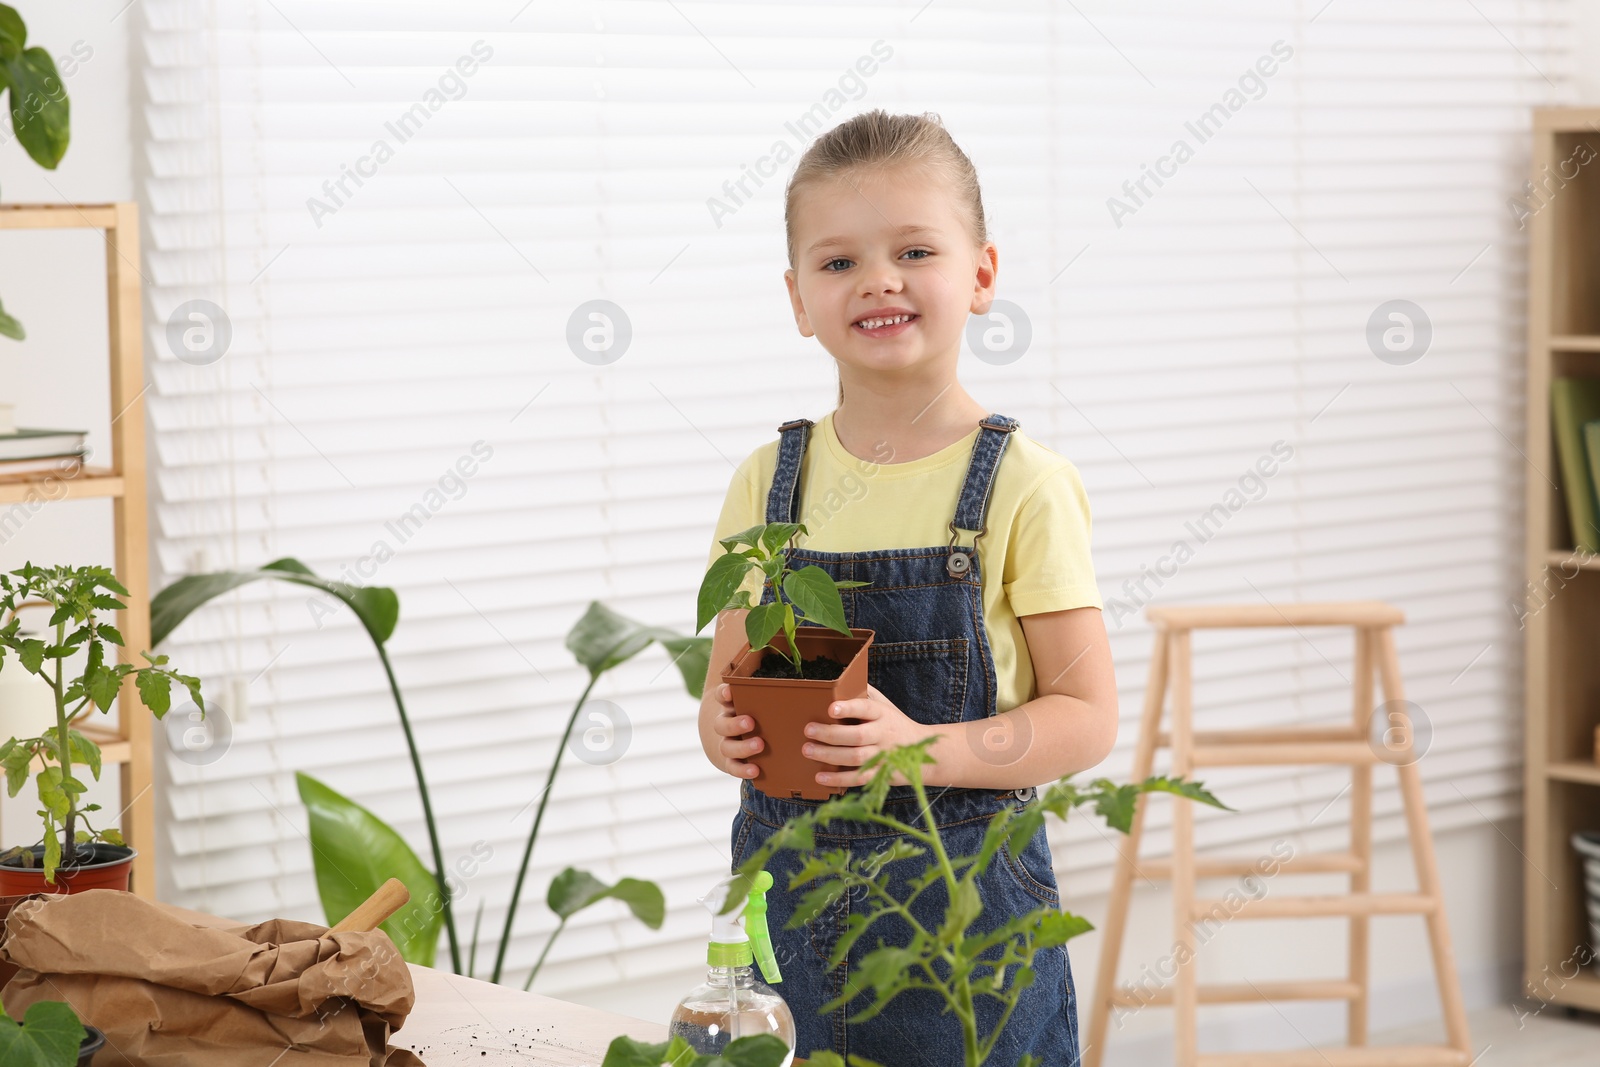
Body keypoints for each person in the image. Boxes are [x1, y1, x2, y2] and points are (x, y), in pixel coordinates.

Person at [696, 108, 1118, 1066]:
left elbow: (1087, 717)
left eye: (914, 249)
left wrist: (920, 750)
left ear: (980, 275)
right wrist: (721, 732)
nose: (879, 279)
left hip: (964, 928)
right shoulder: (770, 483)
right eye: (838, 262)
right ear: (799, 299)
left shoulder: (1023, 483)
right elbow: (727, 693)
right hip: (792, 911)